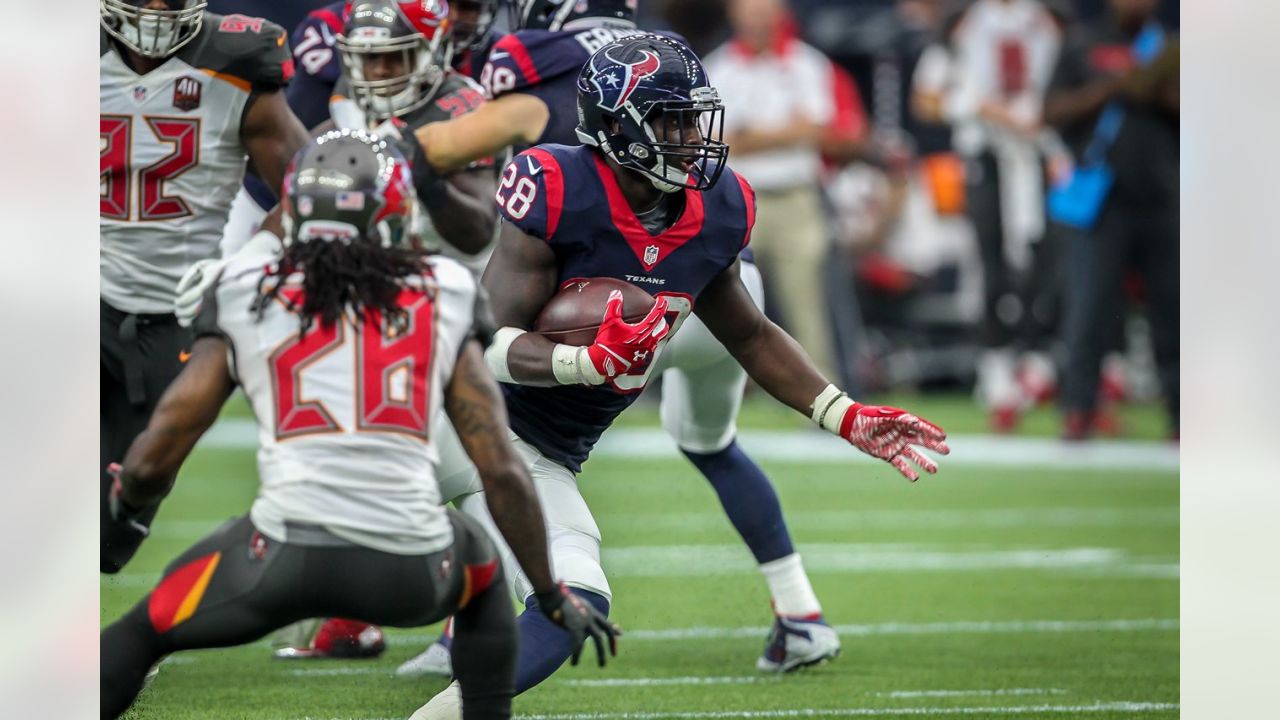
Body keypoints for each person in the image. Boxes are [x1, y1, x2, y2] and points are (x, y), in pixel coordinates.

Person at [411, 34, 949, 718]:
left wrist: (848, 415)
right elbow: (481, 342)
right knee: (337, 542)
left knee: (575, 605)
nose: (693, 136)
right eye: (672, 119)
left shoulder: (715, 208)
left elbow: (749, 333)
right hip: (458, 417)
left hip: (540, 456)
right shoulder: (558, 186)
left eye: (695, 118)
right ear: (615, 125)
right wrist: (583, 361)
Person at [100, 129, 619, 720]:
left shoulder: (246, 288)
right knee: (481, 576)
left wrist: (127, 498)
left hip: (277, 555)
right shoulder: (445, 291)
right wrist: (550, 595)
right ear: (395, 213)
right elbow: (499, 465)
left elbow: (168, 437)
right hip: (414, 567)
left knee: (139, 635)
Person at [100, 0, 311, 573]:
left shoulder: (238, 62)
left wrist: (251, 259)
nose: (157, 8)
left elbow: (308, 190)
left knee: (117, 517)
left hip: (176, 313)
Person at [1044, 0, 1178, 439]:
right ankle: (1078, 409)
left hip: (1164, 194)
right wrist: (1111, 88)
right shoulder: (1083, 42)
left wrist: (1156, 89)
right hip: (1102, 200)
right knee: (1089, 308)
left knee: (1175, 311)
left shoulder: (1173, 45)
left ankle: (1183, 416)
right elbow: (1050, 112)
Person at [702, 0, 841, 382]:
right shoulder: (719, 67)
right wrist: (783, 132)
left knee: (806, 303)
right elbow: (709, 141)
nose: (758, 21)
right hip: (737, 198)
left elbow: (815, 130)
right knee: (726, 298)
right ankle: (724, 392)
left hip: (795, 196)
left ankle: (821, 393)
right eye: (751, 12)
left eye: (765, 12)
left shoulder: (806, 63)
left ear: (780, 15)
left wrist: (747, 136)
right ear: (735, 14)